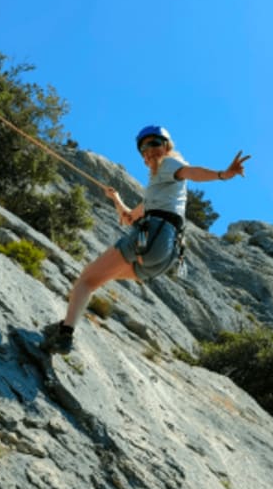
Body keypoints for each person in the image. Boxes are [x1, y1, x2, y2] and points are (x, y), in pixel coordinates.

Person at [41, 125, 250, 354]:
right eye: (143, 147)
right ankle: (64, 327)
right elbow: (130, 217)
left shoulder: (170, 163)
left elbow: (192, 172)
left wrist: (223, 174)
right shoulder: (157, 190)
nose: (148, 150)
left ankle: (65, 334)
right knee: (94, 281)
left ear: (166, 146)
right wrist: (116, 199)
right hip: (163, 256)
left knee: (85, 280)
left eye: (154, 144)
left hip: (153, 237)